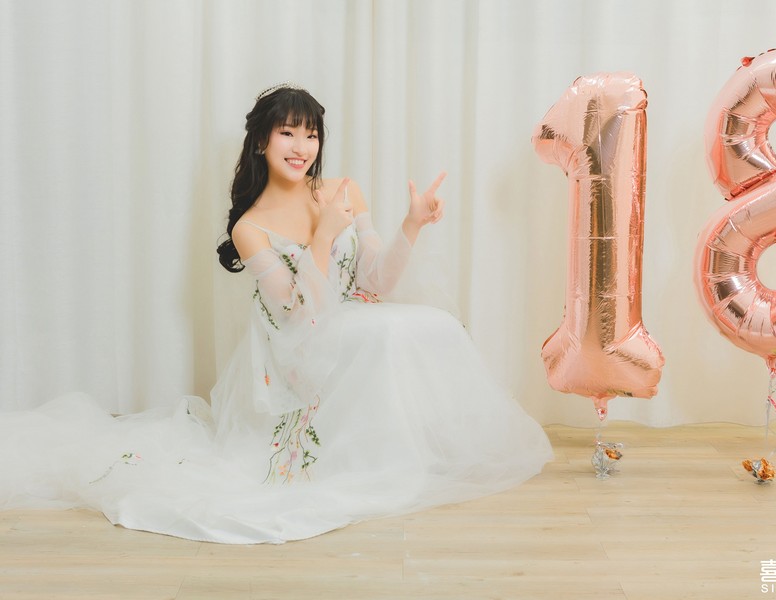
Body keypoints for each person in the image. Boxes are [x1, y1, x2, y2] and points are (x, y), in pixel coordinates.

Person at [0, 84, 552, 544]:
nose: (302, 146)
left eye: (311, 134)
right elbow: (295, 314)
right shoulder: (249, 227)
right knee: (384, 334)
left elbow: (376, 284)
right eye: (288, 132)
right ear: (262, 140)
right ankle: (365, 460)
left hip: (350, 322)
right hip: (294, 352)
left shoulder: (342, 190)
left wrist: (411, 224)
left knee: (433, 323)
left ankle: (411, 452)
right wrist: (323, 236)